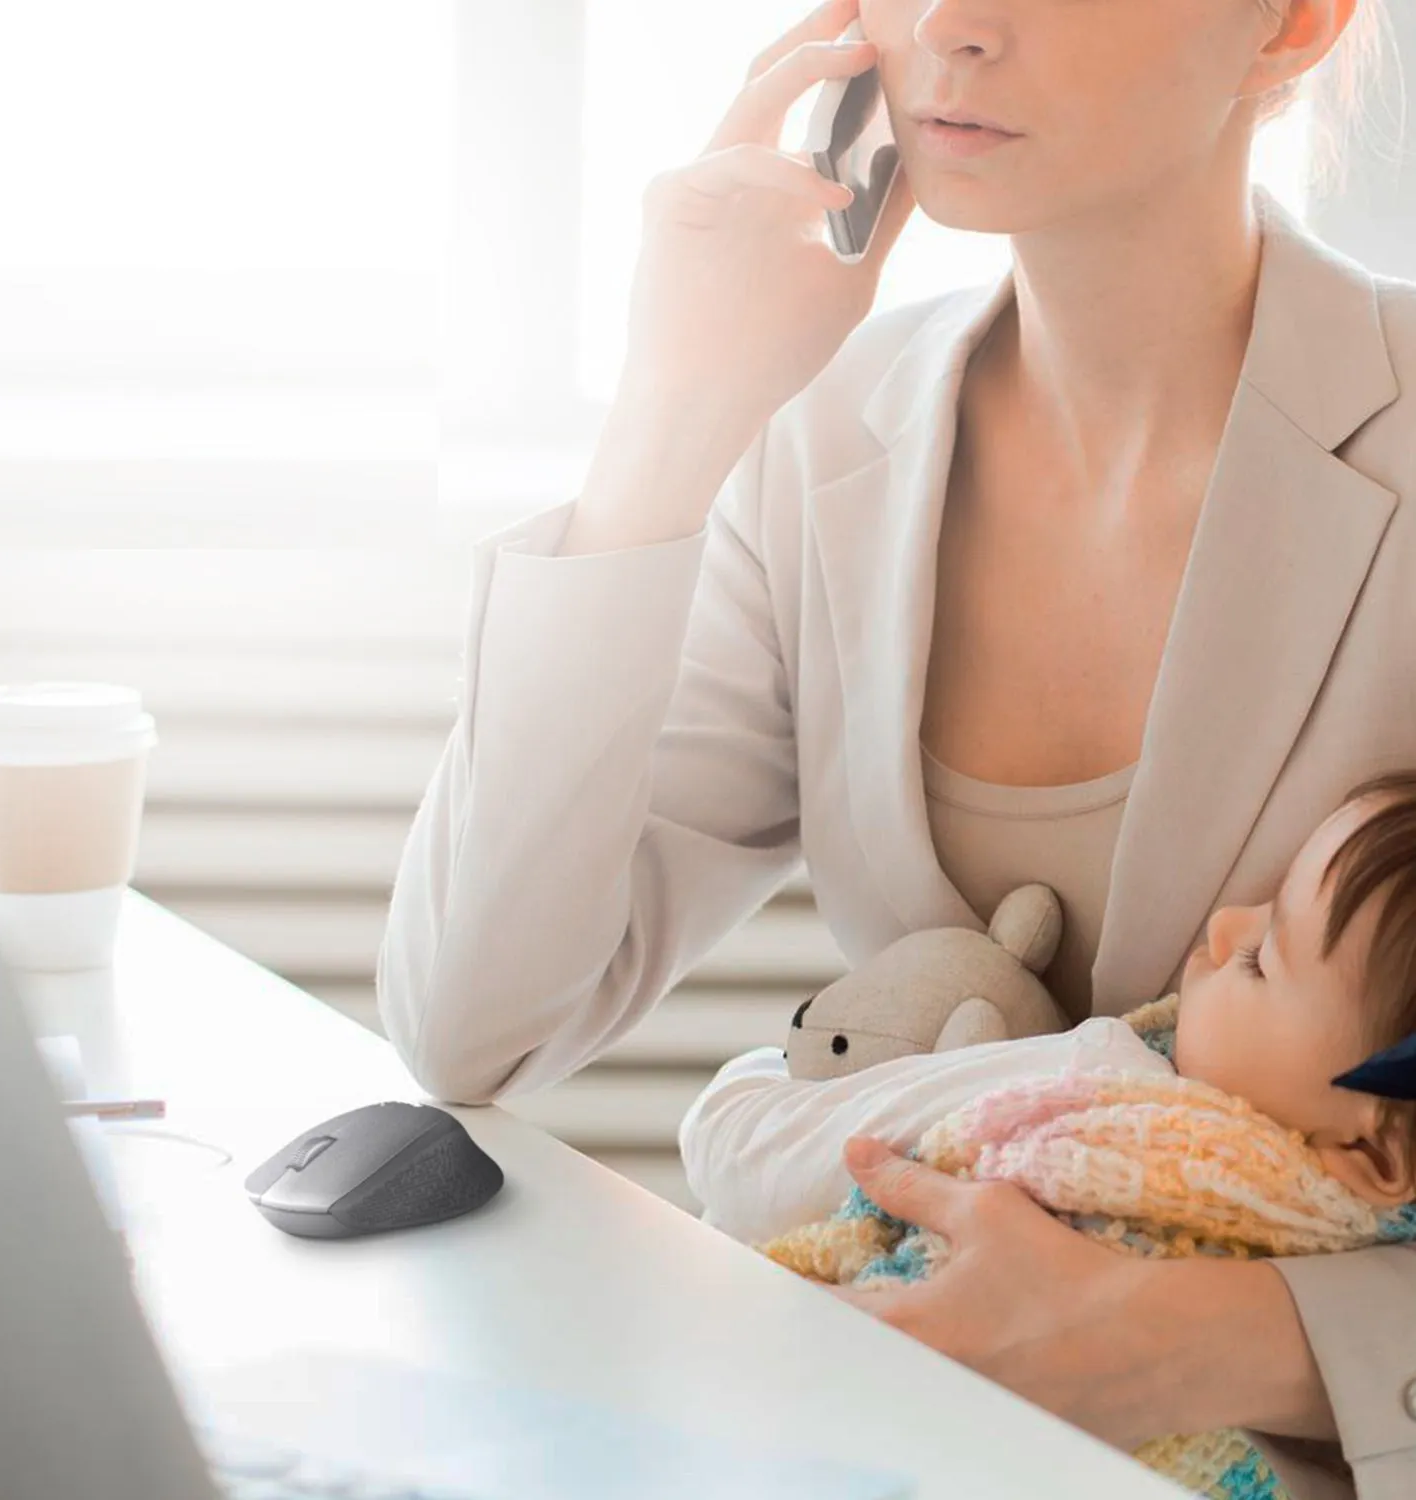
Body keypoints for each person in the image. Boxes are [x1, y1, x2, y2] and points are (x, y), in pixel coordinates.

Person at [377, 3, 1415, 1496]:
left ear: (1295, 24)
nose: (949, 26)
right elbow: (476, 1023)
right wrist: (673, 415)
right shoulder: (820, 441)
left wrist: (1238, 1341)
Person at [678, 770, 1416, 1248]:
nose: (1225, 926)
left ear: (1375, 1155)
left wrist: (756, 1077)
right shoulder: (1371, 1254)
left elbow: (752, 1163)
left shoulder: (1098, 1084)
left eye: (1263, 958)